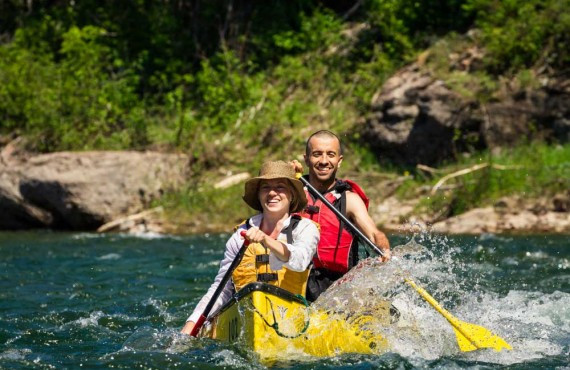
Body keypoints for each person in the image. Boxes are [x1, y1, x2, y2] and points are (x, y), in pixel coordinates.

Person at [181, 160, 319, 335]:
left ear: (292, 195)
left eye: (280, 187)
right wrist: (191, 324)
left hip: (290, 318)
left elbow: (299, 261)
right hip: (245, 318)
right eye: (265, 187)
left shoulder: (306, 228)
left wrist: (266, 240)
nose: (272, 193)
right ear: (259, 195)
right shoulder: (240, 235)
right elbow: (222, 289)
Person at [293, 130, 391, 302]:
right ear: (306, 159)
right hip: (295, 283)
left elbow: (374, 233)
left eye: (330, 155)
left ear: (339, 161)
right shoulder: (292, 192)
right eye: (317, 154)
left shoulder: (350, 200)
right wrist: (286, 176)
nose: (324, 161)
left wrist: (384, 248)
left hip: (338, 291)